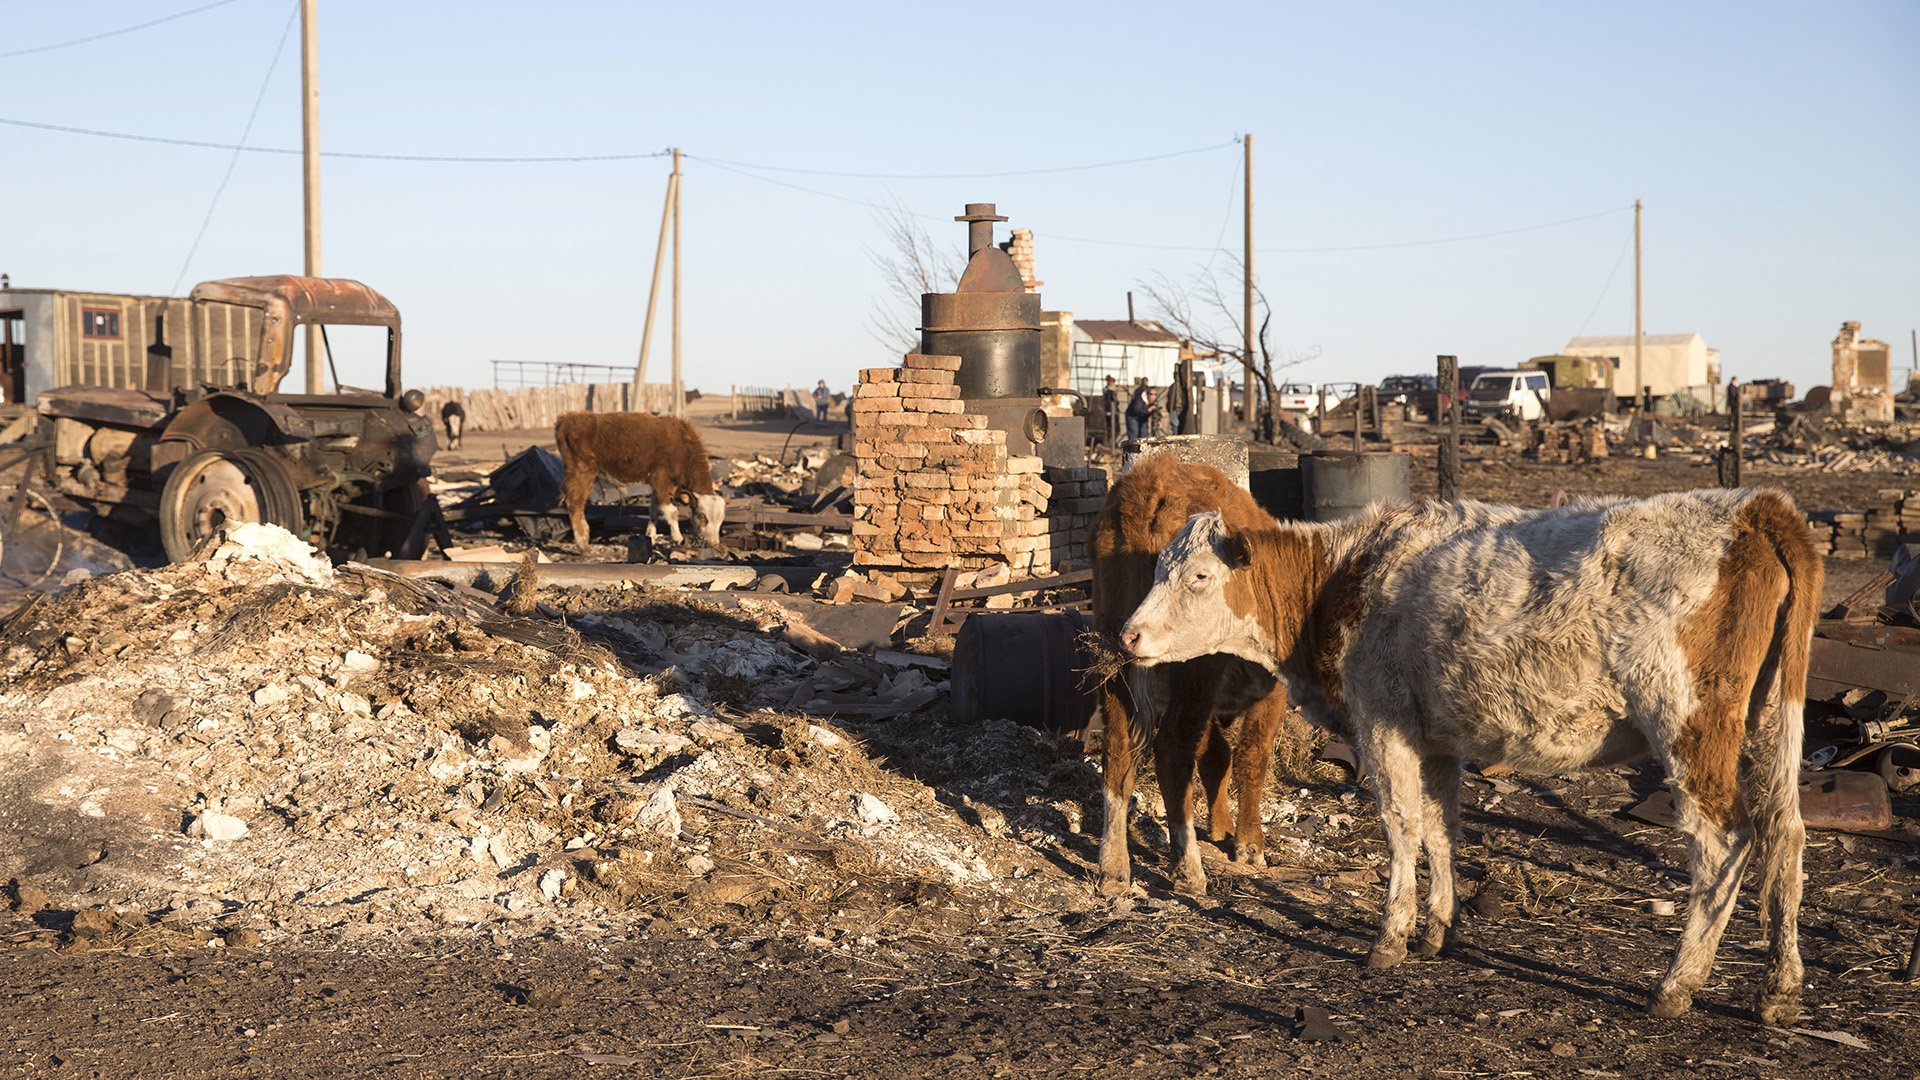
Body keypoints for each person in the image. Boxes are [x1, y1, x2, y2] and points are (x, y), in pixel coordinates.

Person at [1101, 375, 1119, 445]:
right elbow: (1113, 402)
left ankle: (1111, 443)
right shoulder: (1109, 392)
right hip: (1111, 413)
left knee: (1112, 429)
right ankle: (1111, 443)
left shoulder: (1106, 390)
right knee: (1114, 429)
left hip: (1111, 412)